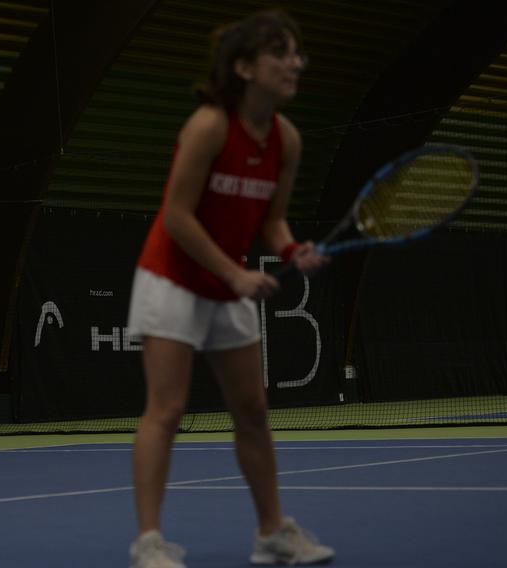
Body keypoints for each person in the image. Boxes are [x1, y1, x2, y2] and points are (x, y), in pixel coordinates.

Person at [126, 10, 334, 568]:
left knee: (252, 408)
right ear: (244, 67)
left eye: (297, 54)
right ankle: (149, 543)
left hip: (224, 285)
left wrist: (291, 251)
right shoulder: (209, 126)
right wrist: (237, 273)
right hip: (171, 279)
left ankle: (272, 535)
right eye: (281, 54)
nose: (296, 64)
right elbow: (176, 216)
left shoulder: (285, 139)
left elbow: (272, 220)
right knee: (166, 410)